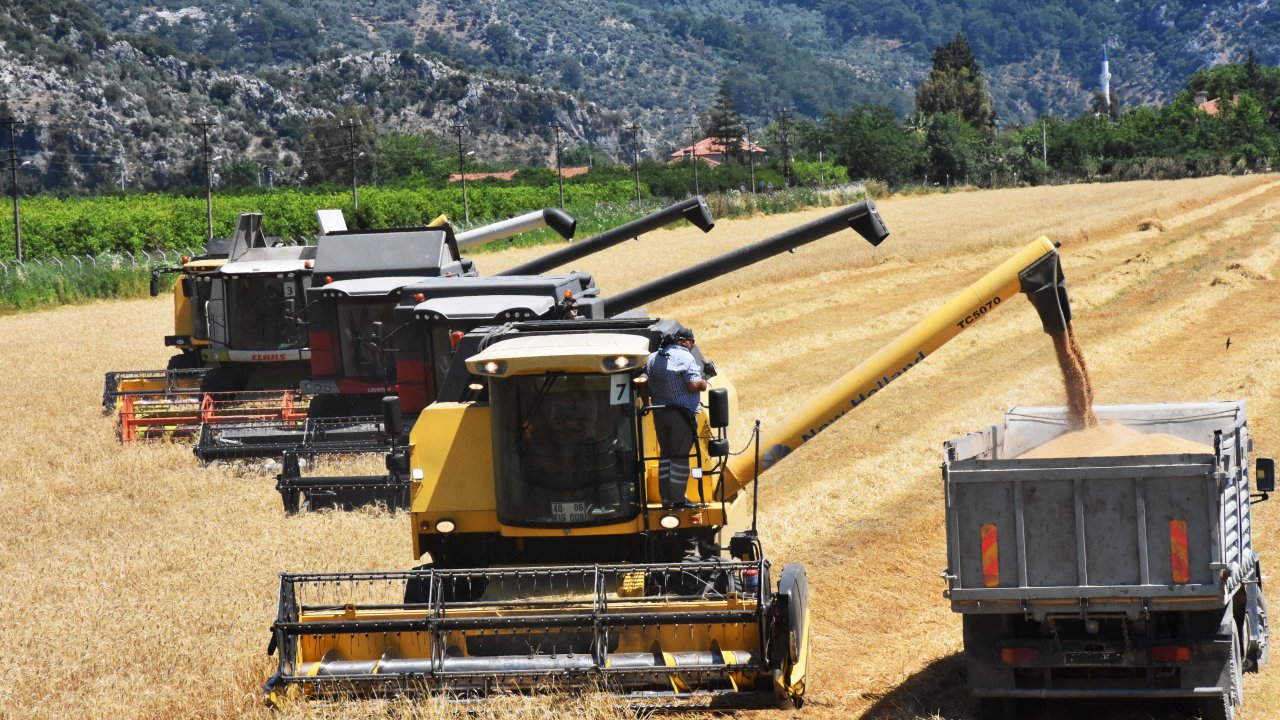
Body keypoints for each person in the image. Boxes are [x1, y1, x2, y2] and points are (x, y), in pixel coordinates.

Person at [645, 327, 708, 509]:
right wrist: (704, 383)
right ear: (682, 341)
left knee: (666, 455)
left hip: (659, 414)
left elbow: (644, 381)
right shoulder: (685, 356)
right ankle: (679, 499)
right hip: (681, 414)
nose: (693, 345)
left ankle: (665, 498)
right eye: (692, 342)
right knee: (680, 456)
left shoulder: (653, 358)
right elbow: (693, 385)